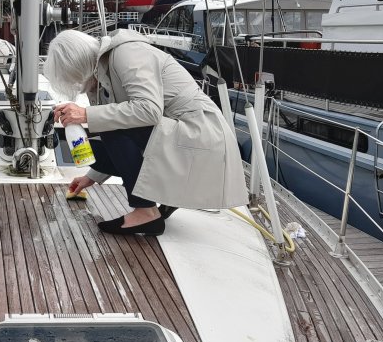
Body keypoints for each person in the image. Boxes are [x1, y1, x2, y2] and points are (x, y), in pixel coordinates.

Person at [44, 29, 247, 236]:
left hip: (201, 135)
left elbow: (149, 110)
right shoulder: (102, 72)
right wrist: (92, 177)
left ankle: (146, 212)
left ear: (79, 66)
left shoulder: (126, 53)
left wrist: (86, 114)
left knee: (110, 126)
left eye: (75, 79)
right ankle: (167, 198)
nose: (78, 86)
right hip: (180, 138)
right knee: (100, 138)